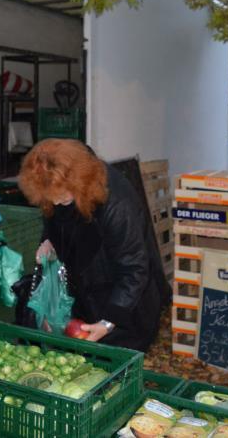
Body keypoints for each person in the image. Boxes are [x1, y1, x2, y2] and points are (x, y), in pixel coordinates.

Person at [18, 138, 172, 352]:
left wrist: (108, 321)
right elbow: (55, 217)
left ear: (77, 184)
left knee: (116, 364)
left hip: (124, 304)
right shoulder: (59, 188)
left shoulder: (117, 203)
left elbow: (135, 269)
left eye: (61, 199)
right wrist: (48, 239)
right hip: (87, 291)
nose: (55, 203)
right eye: (49, 199)